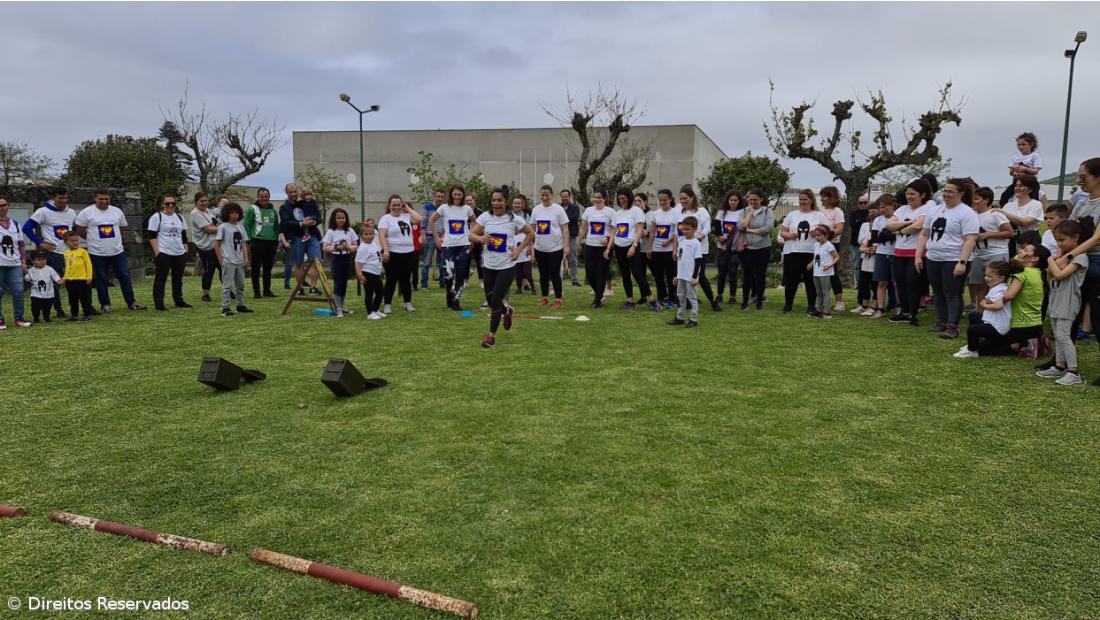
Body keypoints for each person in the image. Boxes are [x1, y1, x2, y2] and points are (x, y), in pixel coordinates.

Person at [469, 186, 535, 348]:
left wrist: (518, 250)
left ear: (506, 202)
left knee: (496, 299)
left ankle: (491, 336)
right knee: (491, 301)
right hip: (489, 265)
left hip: (507, 265)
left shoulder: (514, 219)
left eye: (499, 200)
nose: (496, 203)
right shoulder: (485, 217)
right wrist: (480, 238)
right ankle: (506, 311)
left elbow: (531, 233)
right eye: (493, 200)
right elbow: (471, 235)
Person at [914, 178, 979, 339]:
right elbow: (924, 234)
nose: (946, 194)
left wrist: (962, 262)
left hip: (954, 258)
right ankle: (941, 321)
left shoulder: (967, 213)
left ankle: (952, 326)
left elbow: (970, 239)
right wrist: (918, 255)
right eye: (945, 191)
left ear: (961, 193)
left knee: (952, 292)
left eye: (951, 191)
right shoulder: (934, 211)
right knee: (938, 291)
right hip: (934, 257)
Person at [1056, 157, 1100, 382]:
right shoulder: (1082, 203)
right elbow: (1068, 230)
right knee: (1069, 314)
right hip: (1077, 261)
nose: (1079, 181)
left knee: (1097, 316)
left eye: (1084, 177)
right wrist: (1061, 255)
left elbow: (1097, 237)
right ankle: (1061, 363)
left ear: (1098, 178)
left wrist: (1068, 256)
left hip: (1095, 263)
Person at [1035, 220, 1092, 385]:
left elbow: (1060, 275)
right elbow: (1050, 278)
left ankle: (1073, 371)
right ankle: (1059, 366)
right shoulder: (1061, 258)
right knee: (1057, 333)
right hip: (1056, 299)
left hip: (1068, 301)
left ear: (1076, 237)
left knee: (1063, 335)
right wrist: (1055, 263)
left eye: (1062, 240)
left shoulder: (1080, 257)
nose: (1059, 244)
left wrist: (1050, 261)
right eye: (1057, 240)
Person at [74, 189, 145, 312]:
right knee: (101, 278)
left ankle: (132, 302)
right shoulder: (86, 212)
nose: (104, 201)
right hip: (97, 252)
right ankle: (105, 305)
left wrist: (116, 241)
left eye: (106, 199)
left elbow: (121, 228)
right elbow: (79, 230)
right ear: (95, 198)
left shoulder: (117, 211)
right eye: (101, 199)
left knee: (124, 276)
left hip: (117, 252)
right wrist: (92, 239)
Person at [886, 179, 933, 326]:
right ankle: (904, 312)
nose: (909, 197)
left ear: (922, 195)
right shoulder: (902, 209)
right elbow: (889, 225)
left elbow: (918, 226)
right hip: (899, 252)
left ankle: (913, 313)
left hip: (916, 252)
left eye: (913, 194)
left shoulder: (928, 208)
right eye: (907, 194)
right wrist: (907, 223)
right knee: (900, 283)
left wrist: (899, 230)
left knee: (912, 283)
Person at [23, 187, 76, 318]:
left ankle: (78, 307)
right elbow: (27, 228)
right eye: (60, 198)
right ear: (53, 198)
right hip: (53, 253)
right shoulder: (43, 211)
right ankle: (59, 310)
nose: (63, 201)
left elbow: (74, 230)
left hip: (70, 253)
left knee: (75, 281)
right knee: (55, 283)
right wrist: (40, 243)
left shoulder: (71, 212)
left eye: (65, 198)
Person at [780, 189, 827, 315]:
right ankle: (788, 305)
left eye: (805, 199)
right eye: (800, 199)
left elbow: (827, 233)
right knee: (791, 280)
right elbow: (782, 231)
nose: (802, 202)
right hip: (792, 251)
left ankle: (811, 306)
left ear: (811, 200)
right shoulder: (792, 215)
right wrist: (789, 235)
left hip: (812, 252)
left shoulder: (819, 215)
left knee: (811, 280)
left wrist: (817, 233)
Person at [430, 185, 477, 311]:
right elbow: (431, 220)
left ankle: (456, 300)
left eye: (459, 194)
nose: (457, 197)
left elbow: (475, 221)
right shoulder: (444, 208)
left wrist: (471, 234)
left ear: (463, 195)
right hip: (448, 246)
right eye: (455, 194)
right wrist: (436, 238)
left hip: (464, 246)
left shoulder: (467, 208)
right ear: (451, 195)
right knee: (448, 274)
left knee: (461, 274)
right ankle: (449, 292)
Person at [954, 261, 1014, 359]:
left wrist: (984, 305)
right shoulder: (997, 287)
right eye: (985, 275)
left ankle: (972, 351)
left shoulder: (1000, 289)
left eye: (990, 276)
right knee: (974, 316)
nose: (986, 278)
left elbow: (999, 305)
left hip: (998, 327)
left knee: (972, 330)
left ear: (1002, 278)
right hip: (991, 321)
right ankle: (974, 343)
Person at [967, 187, 1014, 309]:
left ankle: (998, 310)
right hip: (978, 255)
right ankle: (981, 312)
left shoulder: (995, 214)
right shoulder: (972, 215)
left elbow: (1010, 233)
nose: (973, 201)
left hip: (996, 253)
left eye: (976, 198)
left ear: (986, 200)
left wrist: (988, 234)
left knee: (996, 285)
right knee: (979, 285)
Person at [610, 187, 655, 310]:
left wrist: (634, 246)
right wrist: (609, 248)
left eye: (624, 198)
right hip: (619, 246)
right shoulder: (618, 213)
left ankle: (651, 299)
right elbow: (614, 232)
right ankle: (630, 300)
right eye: (619, 199)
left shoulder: (636, 211)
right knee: (625, 275)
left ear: (629, 198)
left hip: (632, 245)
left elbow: (640, 230)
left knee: (637, 273)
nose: (621, 201)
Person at [378, 194, 422, 314]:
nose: (396, 207)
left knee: (406, 280)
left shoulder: (407, 216)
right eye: (394, 205)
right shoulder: (385, 218)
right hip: (393, 253)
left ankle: (408, 303)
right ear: (389, 205)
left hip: (408, 253)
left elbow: (418, 219)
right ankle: (387, 304)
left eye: (399, 205)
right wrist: (386, 250)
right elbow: (381, 235)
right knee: (391, 280)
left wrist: (407, 208)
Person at [147, 194, 191, 311]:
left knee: (178, 279)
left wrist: (185, 249)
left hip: (179, 252)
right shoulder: (157, 217)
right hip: (164, 251)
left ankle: (178, 300)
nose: (170, 205)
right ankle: (159, 303)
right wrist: (157, 251)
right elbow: (151, 235)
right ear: (162, 204)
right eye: (167, 203)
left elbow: (183, 234)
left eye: (173, 203)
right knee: (161, 278)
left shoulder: (179, 217)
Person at [677, 186, 718, 311]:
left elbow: (707, 227)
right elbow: (676, 231)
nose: (683, 201)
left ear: (692, 198)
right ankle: (688, 301)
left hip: (699, 249)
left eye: (685, 198)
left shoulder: (701, 211)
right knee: (684, 275)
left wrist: (699, 238)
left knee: (700, 275)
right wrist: (676, 249)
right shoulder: (680, 212)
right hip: (683, 249)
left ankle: (713, 301)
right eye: (681, 199)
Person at [530, 184, 570, 309]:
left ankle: (558, 299)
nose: (544, 197)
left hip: (555, 248)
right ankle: (545, 298)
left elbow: (565, 228)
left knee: (555, 274)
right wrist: (531, 247)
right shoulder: (536, 210)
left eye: (547, 195)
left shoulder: (558, 209)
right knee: (543, 274)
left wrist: (566, 245)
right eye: (542, 195)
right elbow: (532, 230)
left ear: (551, 195)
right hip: (540, 247)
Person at [279, 184, 322, 296]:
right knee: (298, 263)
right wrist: (302, 224)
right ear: (287, 193)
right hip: (296, 237)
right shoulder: (285, 207)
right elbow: (285, 223)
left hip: (312, 235)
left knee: (315, 261)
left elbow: (318, 217)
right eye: (290, 192)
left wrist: (313, 222)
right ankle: (300, 288)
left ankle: (313, 287)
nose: (293, 194)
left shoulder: (306, 202)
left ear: (298, 191)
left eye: (295, 191)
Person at [214, 202, 253, 317]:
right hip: (228, 261)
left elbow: (244, 245)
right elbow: (216, 245)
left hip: (239, 261)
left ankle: (240, 305)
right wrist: (221, 260)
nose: (234, 215)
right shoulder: (223, 227)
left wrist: (246, 259)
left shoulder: (241, 227)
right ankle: (225, 307)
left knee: (240, 285)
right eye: (231, 213)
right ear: (227, 214)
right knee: (227, 286)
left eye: (236, 213)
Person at [739, 189, 774, 311]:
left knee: (760, 275)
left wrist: (749, 230)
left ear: (761, 199)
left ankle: (759, 302)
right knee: (747, 275)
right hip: (747, 248)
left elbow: (768, 229)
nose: (752, 202)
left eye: (755, 199)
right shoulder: (744, 211)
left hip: (763, 248)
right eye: (750, 200)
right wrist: (750, 213)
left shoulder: (767, 211)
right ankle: (745, 302)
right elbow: (741, 226)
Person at [579, 189, 614, 308]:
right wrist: (578, 242)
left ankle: (598, 300)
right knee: (589, 273)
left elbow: (615, 230)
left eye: (599, 197)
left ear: (604, 199)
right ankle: (600, 294)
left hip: (604, 248)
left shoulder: (610, 212)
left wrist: (608, 239)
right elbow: (583, 228)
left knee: (601, 273)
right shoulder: (588, 210)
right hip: (590, 246)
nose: (596, 199)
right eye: (595, 197)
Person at [647, 188, 680, 308]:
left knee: (671, 275)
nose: (662, 202)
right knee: (658, 276)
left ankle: (672, 299)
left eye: (664, 200)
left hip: (670, 250)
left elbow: (677, 232)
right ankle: (662, 297)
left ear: (670, 199)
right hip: (657, 250)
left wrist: (670, 242)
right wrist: (650, 248)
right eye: (660, 200)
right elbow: (652, 232)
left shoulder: (676, 213)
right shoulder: (655, 214)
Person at [0, 197, 30, 329]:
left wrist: (23, 262)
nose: (2, 208)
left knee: (18, 291)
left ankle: (19, 318)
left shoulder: (15, 224)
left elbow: (21, 244)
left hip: (15, 263)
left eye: (4, 205)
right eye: (0, 206)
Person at [322, 208, 358, 317]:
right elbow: (325, 247)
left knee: (344, 282)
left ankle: (342, 306)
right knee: (338, 282)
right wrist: (337, 247)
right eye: (338, 218)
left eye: (343, 218)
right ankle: (338, 308)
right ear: (334, 219)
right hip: (336, 258)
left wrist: (349, 247)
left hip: (347, 258)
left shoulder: (350, 231)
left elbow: (355, 245)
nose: (341, 220)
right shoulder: (331, 231)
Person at [245, 187, 280, 298]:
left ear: (269, 197)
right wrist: (249, 240)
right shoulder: (252, 209)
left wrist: (276, 240)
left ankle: (267, 291)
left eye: (266, 196)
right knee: (256, 268)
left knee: (268, 268)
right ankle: (256, 292)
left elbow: (276, 227)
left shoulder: (273, 211)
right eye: (261, 196)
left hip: (271, 243)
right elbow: (246, 225)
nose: (264, 198)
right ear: (258, 197)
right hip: (257, 242)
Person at [667, 215, 701, 328]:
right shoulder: (681, 242)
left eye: (688, 229)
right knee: (680, 297)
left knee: (692, 298)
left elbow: (698, 262)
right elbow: (679, 260)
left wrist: (694, 277)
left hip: (690, 278)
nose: (685, 231)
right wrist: (676, 275)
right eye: (683, 229)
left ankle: (693, 319)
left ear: (694, 229)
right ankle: (680, 318)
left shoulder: (696, 243)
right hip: (681, 276)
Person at [868, 194, 898, 318]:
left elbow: (898, 236)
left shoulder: (898, 218)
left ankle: (899, 306)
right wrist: (888, 234)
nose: (882, 210)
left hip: (895, 253)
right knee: (881, 282)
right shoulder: (878, 220)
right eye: (880, 207)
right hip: (881, 253)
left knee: (896, 282)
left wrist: (884, 234)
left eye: (885, 207)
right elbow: (874, 238)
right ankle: (880, 308)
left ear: (892, 205)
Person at [189, 193, 222, 302]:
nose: (204, 203)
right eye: (201, 201)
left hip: (215, 244)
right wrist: (224, 228)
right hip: (205, 246)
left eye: (205, 200)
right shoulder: (195, 213)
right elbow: (208, 229)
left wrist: (216, 227)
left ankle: (227, 290)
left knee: (223, 267)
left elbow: (215, 224)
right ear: (196, 202)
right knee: (209, 269)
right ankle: (206, 294)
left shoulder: (209, 211)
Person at [819, 186, 847, 311]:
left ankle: (839, 301)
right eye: (821, 196)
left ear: (833, 198)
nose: (822, 199)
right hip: (819, 246)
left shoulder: (837, 211)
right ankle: (823, 299)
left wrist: (827, 236)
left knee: (832, 273)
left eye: (825, 196)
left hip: (832, 245)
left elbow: (839, 229)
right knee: (820, 272)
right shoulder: (819, 210)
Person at [714, 190, 745, 305]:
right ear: (727, 200)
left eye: (735, 200)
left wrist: (728, 240)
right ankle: (719, 295)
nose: (733, 202)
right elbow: (716, 225)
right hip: (721, 247)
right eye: (731, 200)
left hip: (734, 248)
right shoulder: (722, 212)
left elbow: (739, 229)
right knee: (721, 272)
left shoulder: (742, 212)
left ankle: (732, 296)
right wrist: (720, 237)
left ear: (739, 201)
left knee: (733, 272)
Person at [999, 132, 1044, 207]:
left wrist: (1024, 169)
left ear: (1031, 144)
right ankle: (1003, 207)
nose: (1021, 147)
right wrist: (1014, 169)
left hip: (1031, 183)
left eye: (1023, 144)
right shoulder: (1015, 157)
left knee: (1034, 196)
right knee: (1005, 195)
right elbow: (1011, 173)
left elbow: (1036, 171)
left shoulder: (1035, 156)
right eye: (1019, 145)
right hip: (1017, 181)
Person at [354, 223, 385, 320]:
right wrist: (360, 275)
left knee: (380, 292)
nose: (369, 236)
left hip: (376, 274)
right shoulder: (363, 248)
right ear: (361, 235)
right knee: (369, 294)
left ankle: (375, 309)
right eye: (366, 234)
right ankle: (370, 313)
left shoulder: (373, 244)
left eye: (371, 234)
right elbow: (358, 262)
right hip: (368, 273)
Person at [809, 224, 840, 319]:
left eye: (820, 235)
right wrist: (811, 263)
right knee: (818, 293)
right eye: (816, 235)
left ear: (826, 235)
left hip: (825, 273)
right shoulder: (816, 245)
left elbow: (837, 257)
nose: (817, 237)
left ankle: (827, 312)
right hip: (816, 272)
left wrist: (830, 265)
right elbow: (816, 257)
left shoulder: (829, 246)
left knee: (825, 292)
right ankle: (819, 310)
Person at [61, 231, 93, 322]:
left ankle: (87, 314)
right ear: (66, 242)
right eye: (72, 241)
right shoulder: (66, 253)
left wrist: (89, 277)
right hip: (70, 280)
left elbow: (88, 265)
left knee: (84, 298)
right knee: (72, 299)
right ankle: (74, 315)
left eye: (76, 240)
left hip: (82, 279)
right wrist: (65, 278)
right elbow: (68, 267)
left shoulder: (83, 252)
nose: (75, 242)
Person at [854, 202, 878, 315]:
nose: (871, 225)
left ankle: (874, 307)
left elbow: (876, 249)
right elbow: (861, 247)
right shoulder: (868, 234)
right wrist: (867, 250)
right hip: (866, 262)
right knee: (864, 284)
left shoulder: (879, 235)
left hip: (875, 263)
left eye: (874, 223)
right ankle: (864, 306)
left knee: (875, 285)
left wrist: (869, 250)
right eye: (870, 223)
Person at [26, 250, 62, 323]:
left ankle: (46, 318)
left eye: (44, 259)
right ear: (33, 261)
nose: (42, 261)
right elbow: (27, 278)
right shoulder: (31, 270)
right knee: (35, 308)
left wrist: (60, 281)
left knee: (47, 307)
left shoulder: (49, 269)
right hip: (36, 294)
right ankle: (36, 318)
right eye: (39, 260)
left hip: (48, 293)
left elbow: (56, 278)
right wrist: (26, 275)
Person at [420, 189, 444, 290]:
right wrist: (423, 236)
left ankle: (442, 283)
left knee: (443, 262)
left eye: (442, 197)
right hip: (429, 237)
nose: (440, 199)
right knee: (426, 262)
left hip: (442, 237)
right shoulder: (427, 207)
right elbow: (423, 222)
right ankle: (424, 285)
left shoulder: (444, 208)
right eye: (438, 196)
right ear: (434, 197)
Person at [848, 194, 871, 281]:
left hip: (869, 243)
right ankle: (859, 283)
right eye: (860, 203)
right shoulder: (853, 213)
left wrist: (859, 221)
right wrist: (863, 221)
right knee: (857, 265)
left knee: (868, 264)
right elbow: (853, 224)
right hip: (856, 243)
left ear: (868, 203)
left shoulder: (870, 212)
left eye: (865, 202)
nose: (863, 204)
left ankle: (868, 283)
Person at [562, 189, 582, 286]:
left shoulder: (575, 207)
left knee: (573, 258)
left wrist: (563, 219)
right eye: (563, 196)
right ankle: (559, 278)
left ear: (569, 197)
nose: (564, 198)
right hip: (560, 236)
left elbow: (574, 218)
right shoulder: (558, 207)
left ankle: (574, 280)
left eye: (566, 196)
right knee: (558, 258)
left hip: (572, 236)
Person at [465, 194, 484, 288]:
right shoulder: (463, 212)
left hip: (478, 239)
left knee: (479, 261)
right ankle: (465, 281)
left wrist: (474, 237)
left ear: (474, 200)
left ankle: (481, 281)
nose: (469, 202)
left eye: (470, 200)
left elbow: (483, 227)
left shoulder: (480, 213)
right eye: (467, 201)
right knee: (466, 261)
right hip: (465, 240)